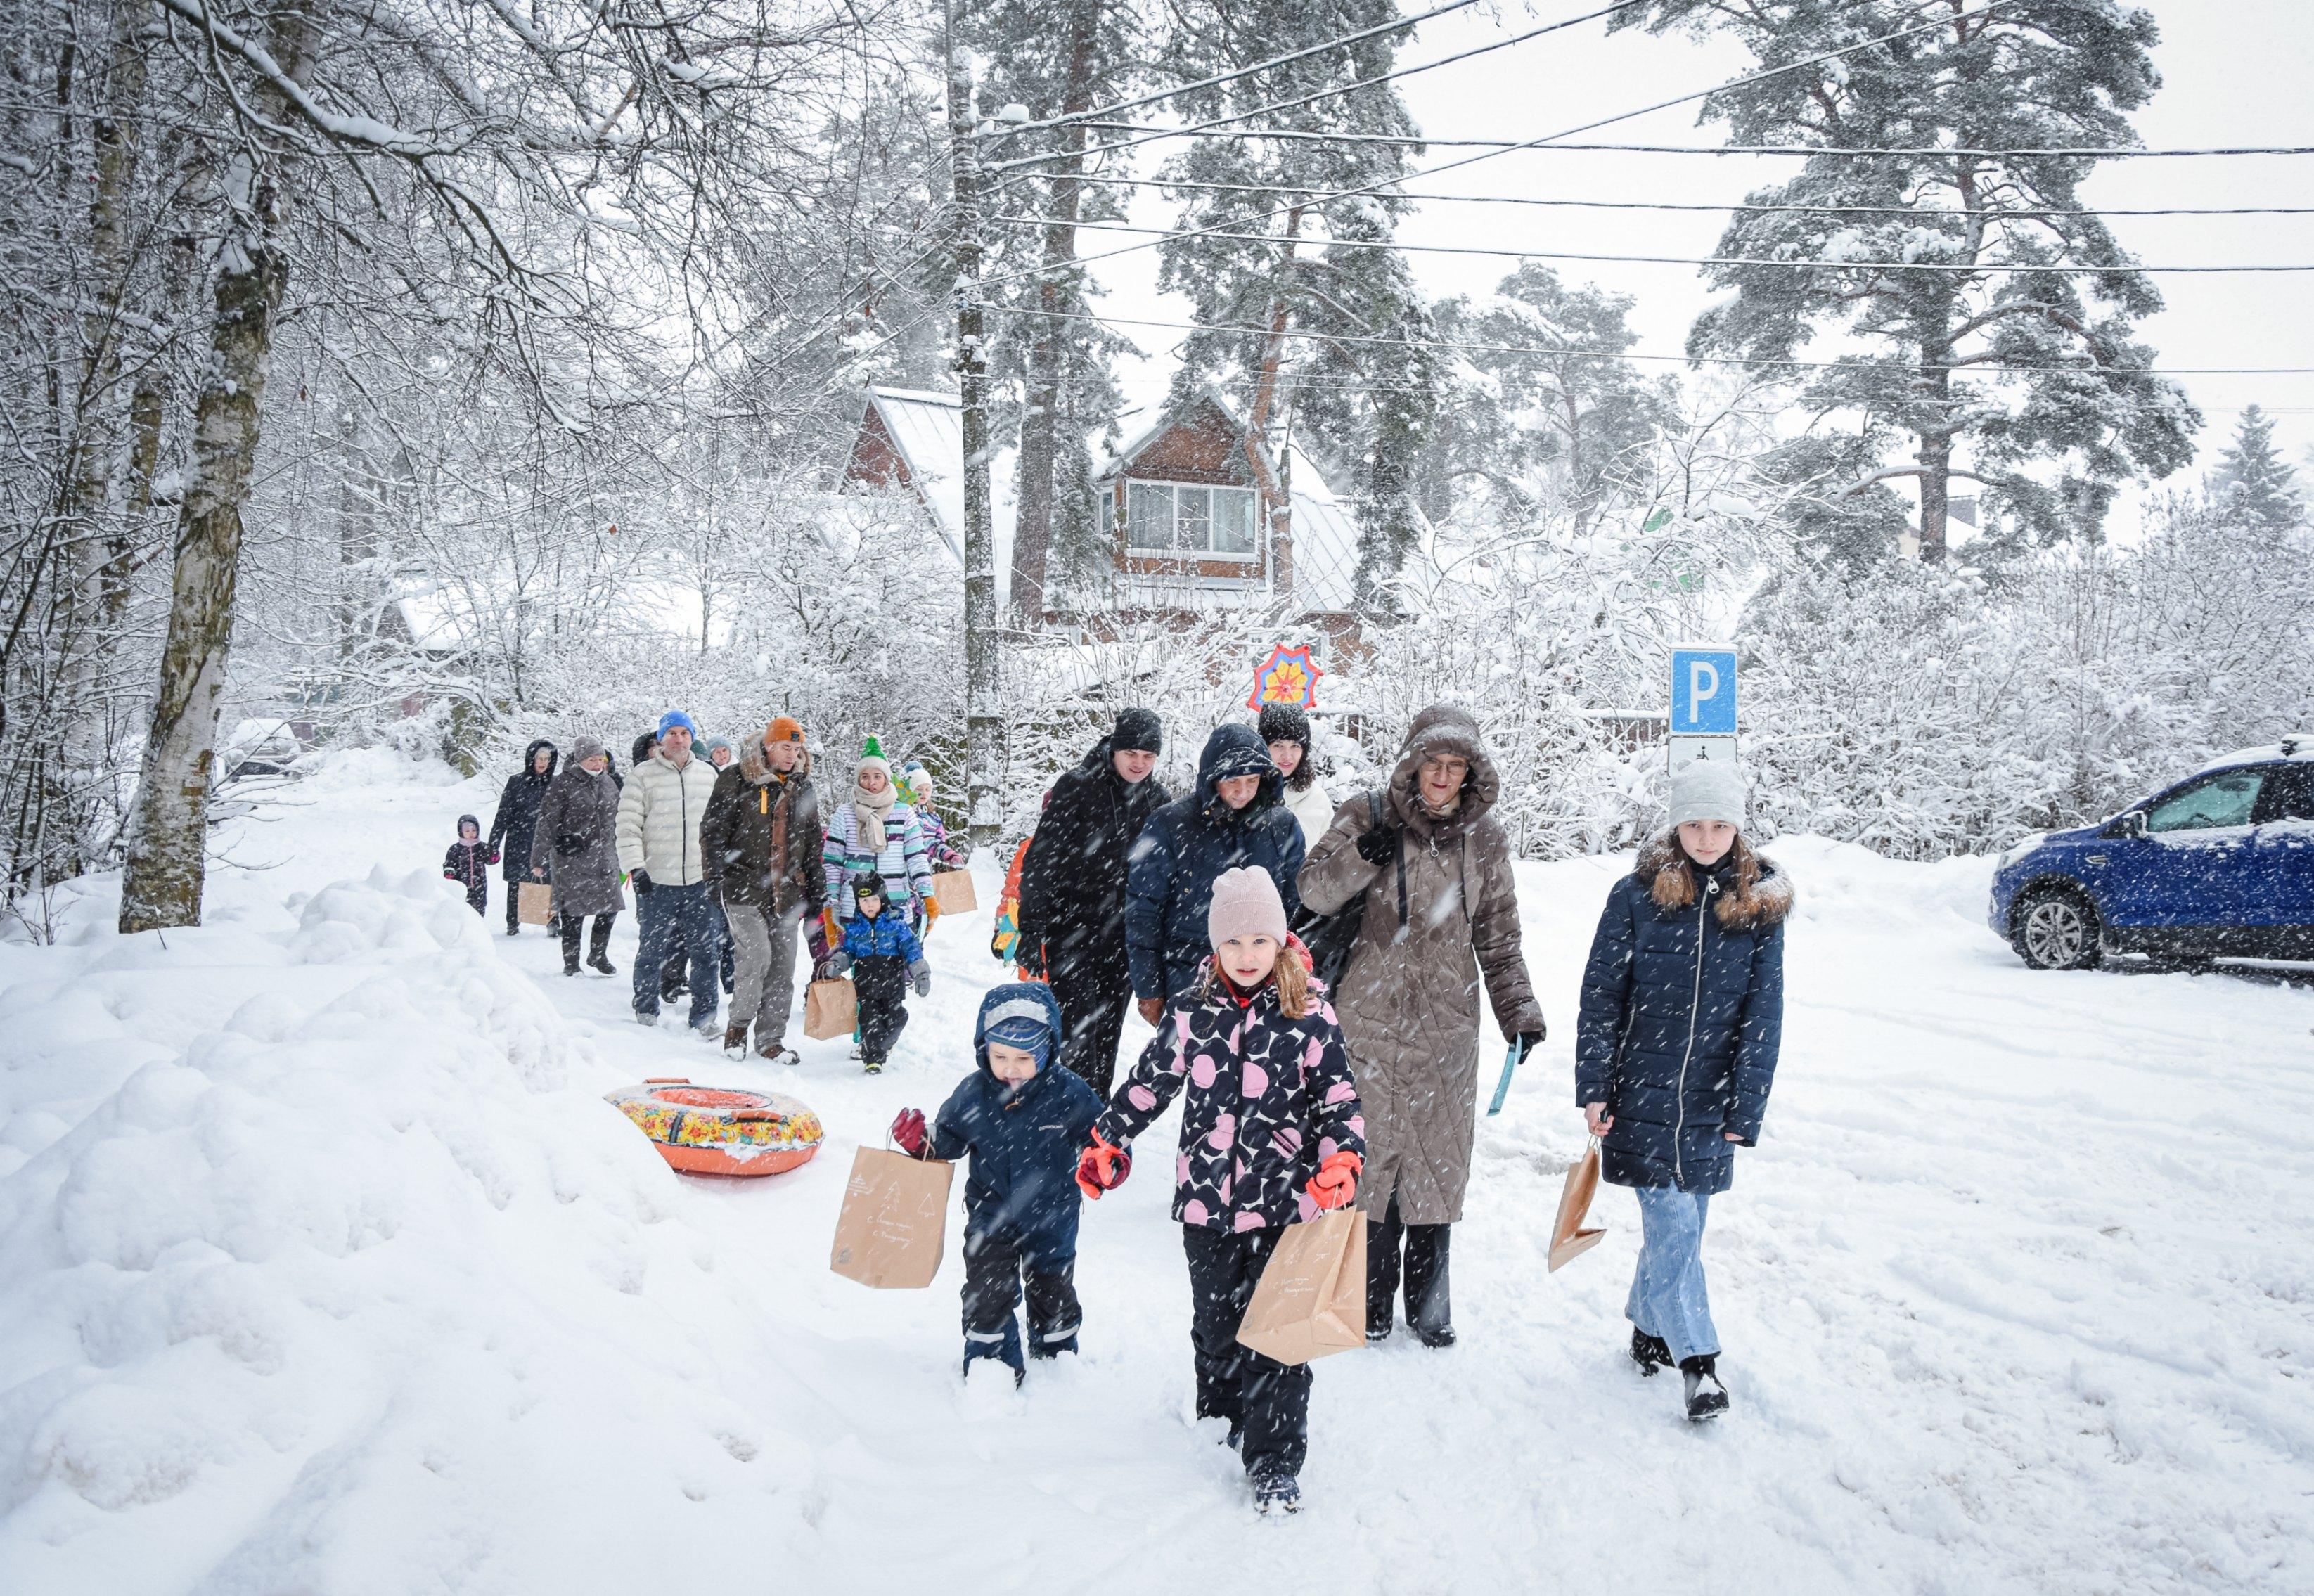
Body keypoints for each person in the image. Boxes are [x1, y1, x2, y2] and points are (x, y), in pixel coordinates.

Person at [1079, 868, 1364, 1516]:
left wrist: (1342, 1157)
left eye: (1260, 942)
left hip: (1286, 1202)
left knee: (1278, 1335)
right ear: (1215, 947)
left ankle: (1274, 1461)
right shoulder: (1191, 1012)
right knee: (1216, 1327)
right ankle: (1221, 1416)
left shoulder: (1309, 1013)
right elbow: (1149, 1084)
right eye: (1232, 944)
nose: (1246, 957)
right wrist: (1109, 1138)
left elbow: (1339, 1101)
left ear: (1281, 941)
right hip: (1206, 1201)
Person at [1297, 704, 1546, 1350]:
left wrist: (1517, 1008)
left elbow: (1498, 932)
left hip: (1447, 1019)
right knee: (1371, 1158)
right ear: (1412, 765)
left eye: (1455, 767)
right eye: (1432, 764)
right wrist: (1361, 858)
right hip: (1367, 1011)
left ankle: (1430, 1304)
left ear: (1471, 773)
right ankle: (1369, 1300)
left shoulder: (1483, 838)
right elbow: (1313, 892)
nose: (1442, 778)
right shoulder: (1366, 813)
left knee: (1437, 1160)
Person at [1576, 757, 1787, 1423]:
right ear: (1675, 826)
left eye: (1719, 824)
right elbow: (1601, 998)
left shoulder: (1755, 908)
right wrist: (1595, 1085)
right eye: (1694, 823)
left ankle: (1647, 1328)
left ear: (1737, 829)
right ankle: (1698, 1364)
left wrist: (1745, 1104)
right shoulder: (1634, 895)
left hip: (1710, 1097)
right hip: (1640, 1091)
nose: (1705, 837)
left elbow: (1764, 1012)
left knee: (1683, 1229)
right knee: (1671, 1226)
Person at [890, 983, 1100, 1384]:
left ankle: (1057, 1355)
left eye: (1025, 1057)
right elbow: (950, 1136)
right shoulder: (975, 1092)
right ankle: (992, 1362)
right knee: (988, 1290)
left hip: (1052, 1213)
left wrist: (1106, 1161)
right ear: (984, 1049)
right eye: (1000, 1056)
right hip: (991, 1211)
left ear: (1048, 1050)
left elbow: (1100, 1139)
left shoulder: (1069, 1093)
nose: (1011, 1068)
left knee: (1053, 1285)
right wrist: (924, 1140)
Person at [1013, 708, 1169, 1097]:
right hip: (1072, 929)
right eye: (1131, 753)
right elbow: (1041, 859)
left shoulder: (1159, 801)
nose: (1139, 764)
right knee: (1079, 1032)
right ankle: (1073, 1117)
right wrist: (1032, 929)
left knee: (1108, 1033)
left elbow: (1168, 876)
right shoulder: (1077, 787)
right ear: (1114, 749)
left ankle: (1095, 1121)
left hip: (1124, 938)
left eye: (1149, 757)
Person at [1125, 723, 1303, 1017]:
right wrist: (1149, 988)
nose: (1243, 792)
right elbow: (1143, 911)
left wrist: (1292, 972)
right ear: (1212, 778)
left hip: (1263, 980)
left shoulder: (1282, 826)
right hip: (1190, 976)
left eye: (1252, 780)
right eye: (1233, 780)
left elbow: (1294, 908)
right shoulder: (1170, 824)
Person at [700, 716, 825, 1062]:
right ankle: (738, 1028)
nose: (792, 755)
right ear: (768, 745)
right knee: (756, 958)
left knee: (783, 967)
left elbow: (813, 841)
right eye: (786, 747)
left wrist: (818, 890)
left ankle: (771, 1039)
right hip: (743, 886)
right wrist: (714, 877)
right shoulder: (736, 779)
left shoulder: (803, 787)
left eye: (797, 749)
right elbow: (712, 832)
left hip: (787, 892)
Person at [615, 710, 724, 1034]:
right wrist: (636, 867)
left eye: (684, 733)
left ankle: (705, 1017)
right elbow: (628, 826)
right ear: (661, 738)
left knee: (707, 953)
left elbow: (720, 827)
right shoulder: (642, 776)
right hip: (657, 881)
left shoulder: (708, 775)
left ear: (692, 738)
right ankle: (646, 1008)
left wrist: (718, 869)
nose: (678, 739)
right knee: (652, 950)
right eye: (672, 733)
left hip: (699, 881)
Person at [531, 736, 625, 977]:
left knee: (610, 906)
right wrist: (538, 858)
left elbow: (621, 818)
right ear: (580, 760)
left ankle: (598, 954)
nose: (597, 764)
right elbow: (547, 822)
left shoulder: (609, 783)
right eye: (592, 759)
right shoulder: (562, 784)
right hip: (572, 857)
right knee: (574, 911)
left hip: (605, 856)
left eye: (600, 759)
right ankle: (571, 962)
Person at [823, 736, 934, 932]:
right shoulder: (845, 814)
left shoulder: (904, 813)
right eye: (865, 776)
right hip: (854, 911)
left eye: (877, 776)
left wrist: (927, 894)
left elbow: (916, 858)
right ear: (858, 780)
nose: (871, 782)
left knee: (903, 962)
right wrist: (832, 901)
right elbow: (833, 863)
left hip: (896, 909)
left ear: (886, 778)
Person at [828, 877, 930, 1074]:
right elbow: (848, 952)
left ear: (882, 899)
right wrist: (837, 963)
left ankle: (884, 1045)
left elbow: (912, 950)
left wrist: (921, 975)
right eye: (864, 901)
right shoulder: (855, 929)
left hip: (892, 985)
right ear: (858, 903)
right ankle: (873, 1059)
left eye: (874, 899)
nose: (869, 905)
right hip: (866, 986)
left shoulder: (896, 925)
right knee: (870, 1022)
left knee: (897, 1017)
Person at [486, 740, 558, 936]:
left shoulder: (556, 784)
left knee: (549, 882)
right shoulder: (516, 782)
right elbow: (503, 815)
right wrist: (494, 844)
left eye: (546, 759)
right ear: (531, 759)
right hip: (519, 838)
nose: (542, 762)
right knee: (517, 883)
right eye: (539, 758)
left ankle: (552, 923)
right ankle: (513, 924)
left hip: (546, 841)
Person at [1260, 703, 1335, 851]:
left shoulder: (1318, 800)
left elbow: (1332, 858)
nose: (1287, 756)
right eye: (1278, 745)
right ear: (1264, 748)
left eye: (1295, 746)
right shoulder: (1246, 794)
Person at [898, 759, 966, 870]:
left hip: (923, 872)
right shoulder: (901, 813)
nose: (924, 793)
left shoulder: (933, 818)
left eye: (927, 789)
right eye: (919, 790)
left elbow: (935, 845)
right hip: (901, 871)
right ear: (909, 791)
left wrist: (950, 855)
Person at [442, 815, 493, 915]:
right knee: (463, 907)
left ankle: (478, 927)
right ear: (461, 832)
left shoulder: (481, 847)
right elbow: (449, 863)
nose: (471, 834)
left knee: (480, 906)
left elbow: (489, 860)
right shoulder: (456, 849)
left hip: (479, 884)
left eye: (474, 830)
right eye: (467, 831)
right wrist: (449, 871)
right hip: (462, 884)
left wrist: (493, 856)